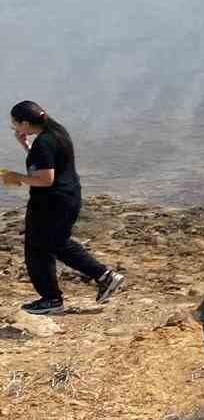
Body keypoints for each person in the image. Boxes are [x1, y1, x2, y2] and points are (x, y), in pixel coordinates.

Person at [5, 102, 124, 315]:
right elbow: (48, 164)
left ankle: (93, 280)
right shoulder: (56, 132)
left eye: (14, 122)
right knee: (50, 244)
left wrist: (16, 178)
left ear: (24, 123)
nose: (12, 126)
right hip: (66, 197)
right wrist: (25, 146)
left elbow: (45, 179)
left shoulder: (44, 142)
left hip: (51, 201)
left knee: (43, 246)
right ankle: (56, 296)